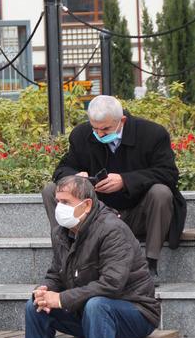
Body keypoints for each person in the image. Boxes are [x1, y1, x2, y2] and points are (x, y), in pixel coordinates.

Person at [6, 175, 159, 338]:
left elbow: (111, 284)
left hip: (135, 312)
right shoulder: (62, 232)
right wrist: (45, 290)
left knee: (97, 305)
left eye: (66, 202)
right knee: (35, 305)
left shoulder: (112, 230)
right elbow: (56, 273)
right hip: (88, 311)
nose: (59, 208)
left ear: (86, 204)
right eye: (58, 201)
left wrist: (62, 299)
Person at [43, 95, 186, 282]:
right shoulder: (81, 135)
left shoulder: (152, 134)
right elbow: (62, 169)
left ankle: (150, 265)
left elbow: (168, 173)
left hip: (138, 213)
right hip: (95, 215)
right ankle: (66, 260)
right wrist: (76, 177)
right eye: (95, 128)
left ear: (122, 120)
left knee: (161, 192)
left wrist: (125, 181)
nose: (100, 134)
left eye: (106, 129)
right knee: (51, 190)